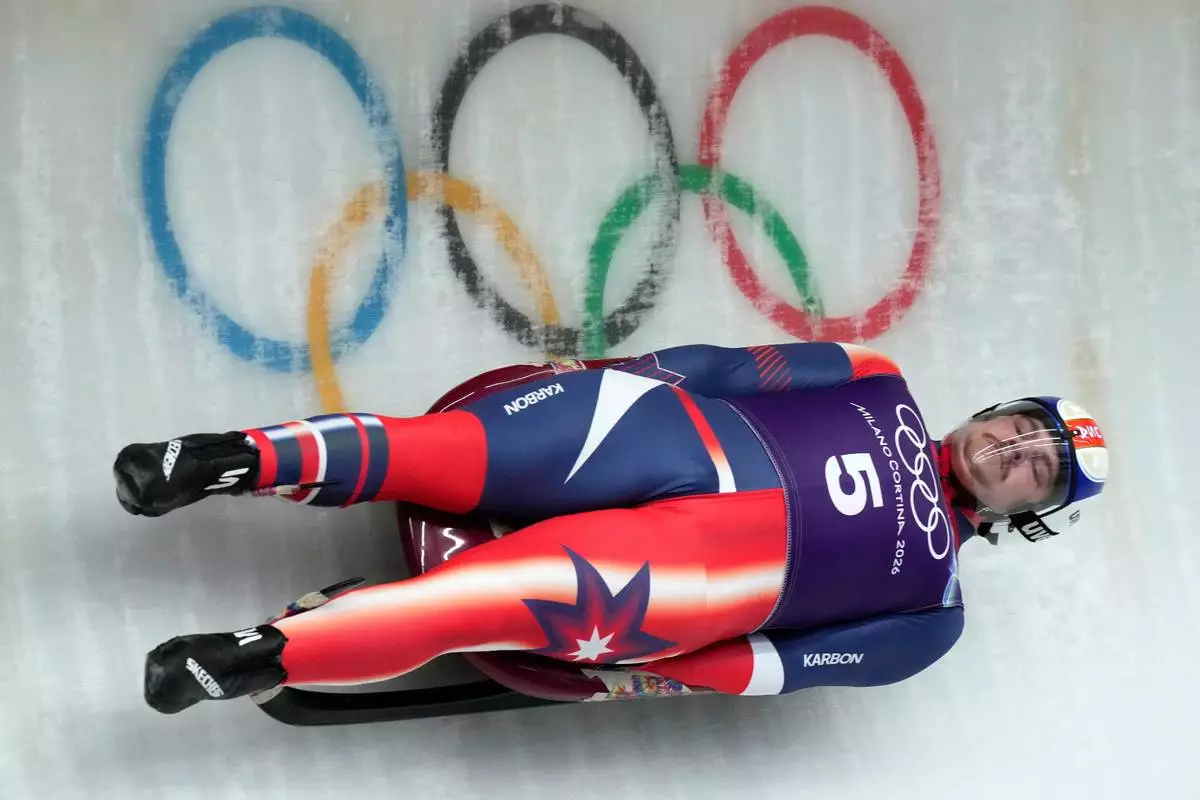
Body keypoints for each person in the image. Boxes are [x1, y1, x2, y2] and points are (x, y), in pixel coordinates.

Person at [113, 341, 1109, 714]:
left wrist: (638, 677)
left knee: (471, 601)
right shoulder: (875, 374)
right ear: (992, 410)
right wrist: (617, 375)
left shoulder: (932, 614)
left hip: (698, 575)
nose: (1017, 448)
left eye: (1040, 465)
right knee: (446, 449)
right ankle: (224, 458)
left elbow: (771, 667)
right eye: (1022, 426)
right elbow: (728, 368)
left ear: (1028, 514)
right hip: (657, 433)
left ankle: (250, 656)